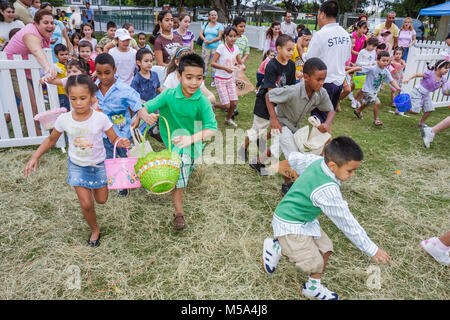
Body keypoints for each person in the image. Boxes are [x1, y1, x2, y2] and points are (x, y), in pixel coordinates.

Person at [262, 136, 390, 300]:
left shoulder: (318, 162)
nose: (352, 175)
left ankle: (312, 287)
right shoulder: (327, 190)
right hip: (290, 224)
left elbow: (295, 158)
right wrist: (372, 249)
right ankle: (278, 247)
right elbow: (347, 223)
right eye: (350, 170)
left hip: (305, 220)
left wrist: (280, 166)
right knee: (314, 262)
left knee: (326, 248)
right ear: (332, 165)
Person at [24, 74, 131, 247]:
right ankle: (95, 229)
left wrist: (122, 142)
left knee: (101, 200)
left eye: (83, 98)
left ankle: (94, 192)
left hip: (98, 165)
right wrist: (35, 156)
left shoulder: (101, 118)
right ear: (68, 97)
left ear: (91, 97)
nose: (78, 103)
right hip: (77, 166)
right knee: (87, 204)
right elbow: (51, 140)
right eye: (73, 99)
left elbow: (114, 139)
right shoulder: (64, 119)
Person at [143, 53, 218, 230]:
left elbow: (212, 128)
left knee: (187, 168)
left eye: (198, 78)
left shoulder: (202, 101)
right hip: (175, 146)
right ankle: (179, 214)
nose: (194, 83)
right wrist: (144, 116)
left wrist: (190, 139)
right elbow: (146, 107)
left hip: (194, 144)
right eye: (189, 77)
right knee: (180, 171)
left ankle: (183, 177)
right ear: (179, 76)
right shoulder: (168, 95)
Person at [267, 58, 336, 195]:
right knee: (294, 155)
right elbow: (269, 96)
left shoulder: (320, 92)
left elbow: (331, 110)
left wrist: (327, 123)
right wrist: (274, 119)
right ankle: (287, 184)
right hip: (282, 123)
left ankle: (258, 162)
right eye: (318, 79)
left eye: (324, 79)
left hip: (295, 126)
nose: (322, 83)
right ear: (306, 77)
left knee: (280, 148)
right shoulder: (293, 91)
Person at [94, 53, 153, 196]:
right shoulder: (93, 88)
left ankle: (139, 179)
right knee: (109, 159)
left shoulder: (124, 89)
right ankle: (118, 184)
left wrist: (145, 116)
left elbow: (138, 105)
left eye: (107, 73)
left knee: (129, 158)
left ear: (114, 70)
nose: (103, 77)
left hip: (123, 134)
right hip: (103, 135)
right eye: (99, 73)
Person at [238, 35, 296, 176]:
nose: (290, 53)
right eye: (288, 50)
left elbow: (292, 87)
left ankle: (260, 161)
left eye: (292, 50)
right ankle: (243, 148)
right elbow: (271, 93)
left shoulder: (291, 65)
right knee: (257, 130)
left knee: (278, 134)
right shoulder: (271, 65)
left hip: (281, 104)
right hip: (265, 103)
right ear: (278, 49)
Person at [4, 9, 57, 136]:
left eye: (52, 22)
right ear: (36, 23)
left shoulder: (42, 34)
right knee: (31, 102)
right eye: (46, 22)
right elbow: (37, 51)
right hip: (12, 70)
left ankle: (23, 125)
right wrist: (48, 68)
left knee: (27, 101)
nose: (50, 25)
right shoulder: (30, 34)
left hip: (25, 71)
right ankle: (36, 133)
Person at [302, 0, 349, 125]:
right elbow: (346, 58)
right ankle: (326, 143)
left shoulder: (320, 35)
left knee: (319, 121)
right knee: (328, 118)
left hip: (324, 83)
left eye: (318, 14)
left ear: (322, 14)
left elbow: (310, 59)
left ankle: (322, 143)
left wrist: (302, 52)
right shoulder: (345, 34)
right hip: (339, 82)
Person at [353, 51, 401, 126]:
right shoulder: (372, 68)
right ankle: (376, 120)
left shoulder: (386, 72)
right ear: (378, 60)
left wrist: (398, 88)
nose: (385, 62)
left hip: (374, 91)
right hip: (367, 90)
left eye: (387, 61)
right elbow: (359, 68)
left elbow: (391, 81)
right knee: (377, 103)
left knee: (367, 102)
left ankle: (358, 111)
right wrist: (348, 70)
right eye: (383, 60)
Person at [210, 25, 245, 127]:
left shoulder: (236, 48)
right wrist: (225, 68)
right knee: (226, 105)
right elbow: (213, 63)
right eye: (231, 36)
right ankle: (213, 105)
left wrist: (242, 66)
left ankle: (228, 119)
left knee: (234, 103)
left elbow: (239, 62)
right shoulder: (221, 47)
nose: (233, 38)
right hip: (220, 79)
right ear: (225, 36)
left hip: (230, 79)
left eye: (235, 36)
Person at [403, 59, 449, 126]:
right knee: (415, 111)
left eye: (448, 68)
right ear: (438, 68)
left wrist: (447, 91)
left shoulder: (443, 80)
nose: (447, 70)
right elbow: (416, 75)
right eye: (445, 68)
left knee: (429, 109)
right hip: (418, 92)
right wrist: (408, 79)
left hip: (426, 95)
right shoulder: (430, 74)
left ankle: (421, 123)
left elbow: (445, 89)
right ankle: (403, 105)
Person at [198, 10, 224, 87]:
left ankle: (214, 80)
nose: (213, 16)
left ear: (217, 17)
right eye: (212, 15)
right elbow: (201, 34)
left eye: (215, 15)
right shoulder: (205, 24)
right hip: (205, 47)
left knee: (214, 64)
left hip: (216, 48)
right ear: (209, 17)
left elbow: (219, 37)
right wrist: (205, 40)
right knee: (204, 63)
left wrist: (210, 41)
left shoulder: (220, 25)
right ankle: (203, 80)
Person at [53, 43, 70, 110]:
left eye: (66, 54)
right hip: (62, 92)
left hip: (71, 91)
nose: (64, 56)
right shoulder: (56, 66)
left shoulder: (70, 65)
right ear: (56, 55)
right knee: (65, 109)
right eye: (61, 55)